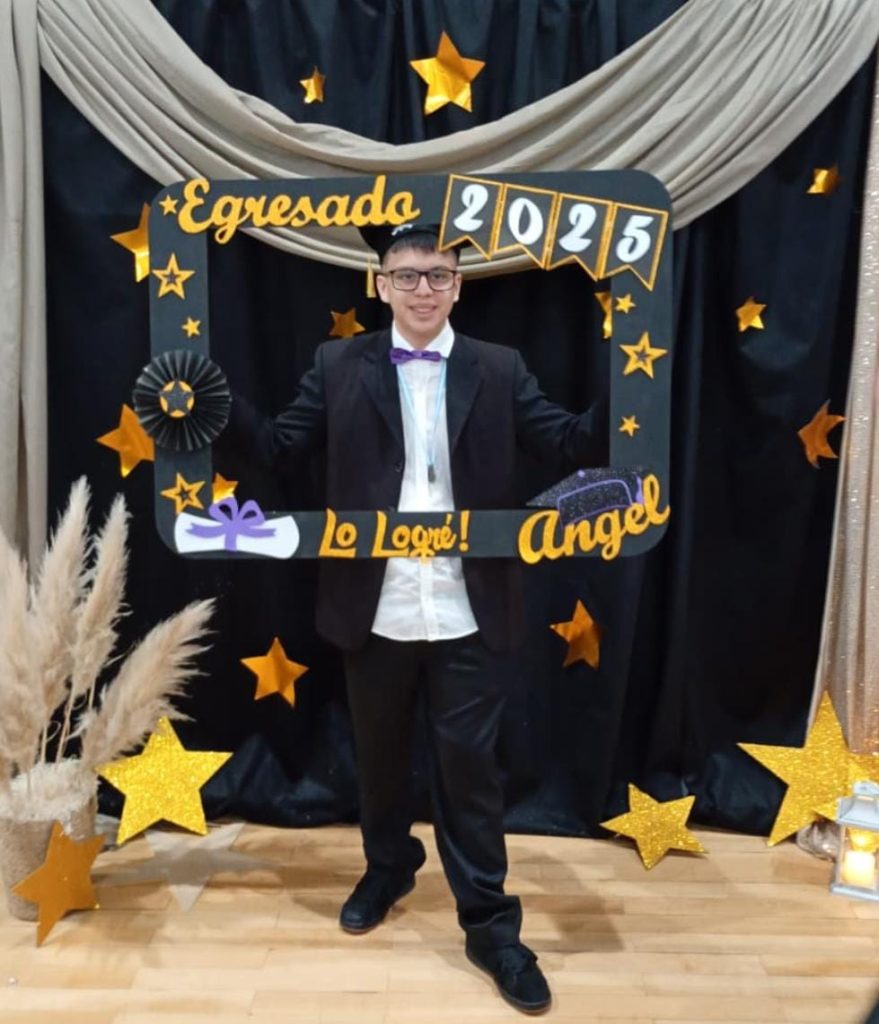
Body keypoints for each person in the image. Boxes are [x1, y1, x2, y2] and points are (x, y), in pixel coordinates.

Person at [226, 222, 605, 1014]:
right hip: (376, 603)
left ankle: (491, 926)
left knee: (470, 772)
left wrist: (640, 394)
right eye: (406, 275)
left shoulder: (499, 368)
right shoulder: (337, 364)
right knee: (379, 758)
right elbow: (280, 446)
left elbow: (567, 441)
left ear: (458, 285)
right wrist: (209, 406)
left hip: (468, 605)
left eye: (437, 274)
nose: (422, 289)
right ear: (380, 285)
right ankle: (388, 866)